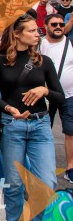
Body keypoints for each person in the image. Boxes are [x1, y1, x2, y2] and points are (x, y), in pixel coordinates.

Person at [0, 15, 64, 221]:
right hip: (13, 126)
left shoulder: (44, 62)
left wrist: (44, 90)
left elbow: (60, 96)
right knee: (14, 181)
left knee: (48, 180)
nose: (37, 34)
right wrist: (9, 108)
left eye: (37, 30)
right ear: (17, 34)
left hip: (40, 125)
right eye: (31, 31)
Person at [40, 13, 73, 182]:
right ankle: (43, 166)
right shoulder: (39, 44)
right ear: (46, 26)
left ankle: (70, 167)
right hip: (44, 96)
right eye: (54, 24)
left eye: (61, 24)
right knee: (43, 131)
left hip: (69, 95)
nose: (58, 27)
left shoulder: (70, 43)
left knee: (71, 131)